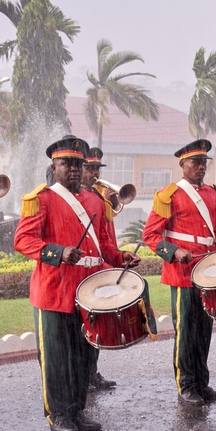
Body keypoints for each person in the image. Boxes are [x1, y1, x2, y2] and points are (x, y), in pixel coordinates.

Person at [14, 137, 139, 431]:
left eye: (77, 164)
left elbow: (106, 246)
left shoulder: (96, 200)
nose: (73, 169)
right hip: (53, 292)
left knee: (83, 356)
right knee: (57, 358)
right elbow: (23, 240)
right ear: (54, 167)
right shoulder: (40, 199)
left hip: (90, 293)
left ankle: (77, 411)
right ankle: (58, 415)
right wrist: (59, 252)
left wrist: (121, 257)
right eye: (66, 163)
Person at [142, 139, 216, 405]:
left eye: (203, 162)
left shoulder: (211, 193)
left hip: (208, 273)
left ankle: (202, 384)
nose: (200, 167)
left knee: (204, 331)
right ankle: (186, 385)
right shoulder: (169, 194)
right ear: (182, 164)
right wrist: (173, 252)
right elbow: (150, 235)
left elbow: (214, 235)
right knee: (185, 331)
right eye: (195, 162)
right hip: (182, 274)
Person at [80, 146, 118, 391]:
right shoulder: (76, 197)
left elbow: (105, 235)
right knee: (82, 327)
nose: (94, 173)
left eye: (96, 168)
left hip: (101, 265)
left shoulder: (99, 197)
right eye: (90, 168)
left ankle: (92, 372)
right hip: (83, 268)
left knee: (97, 325)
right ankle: (82, 376)